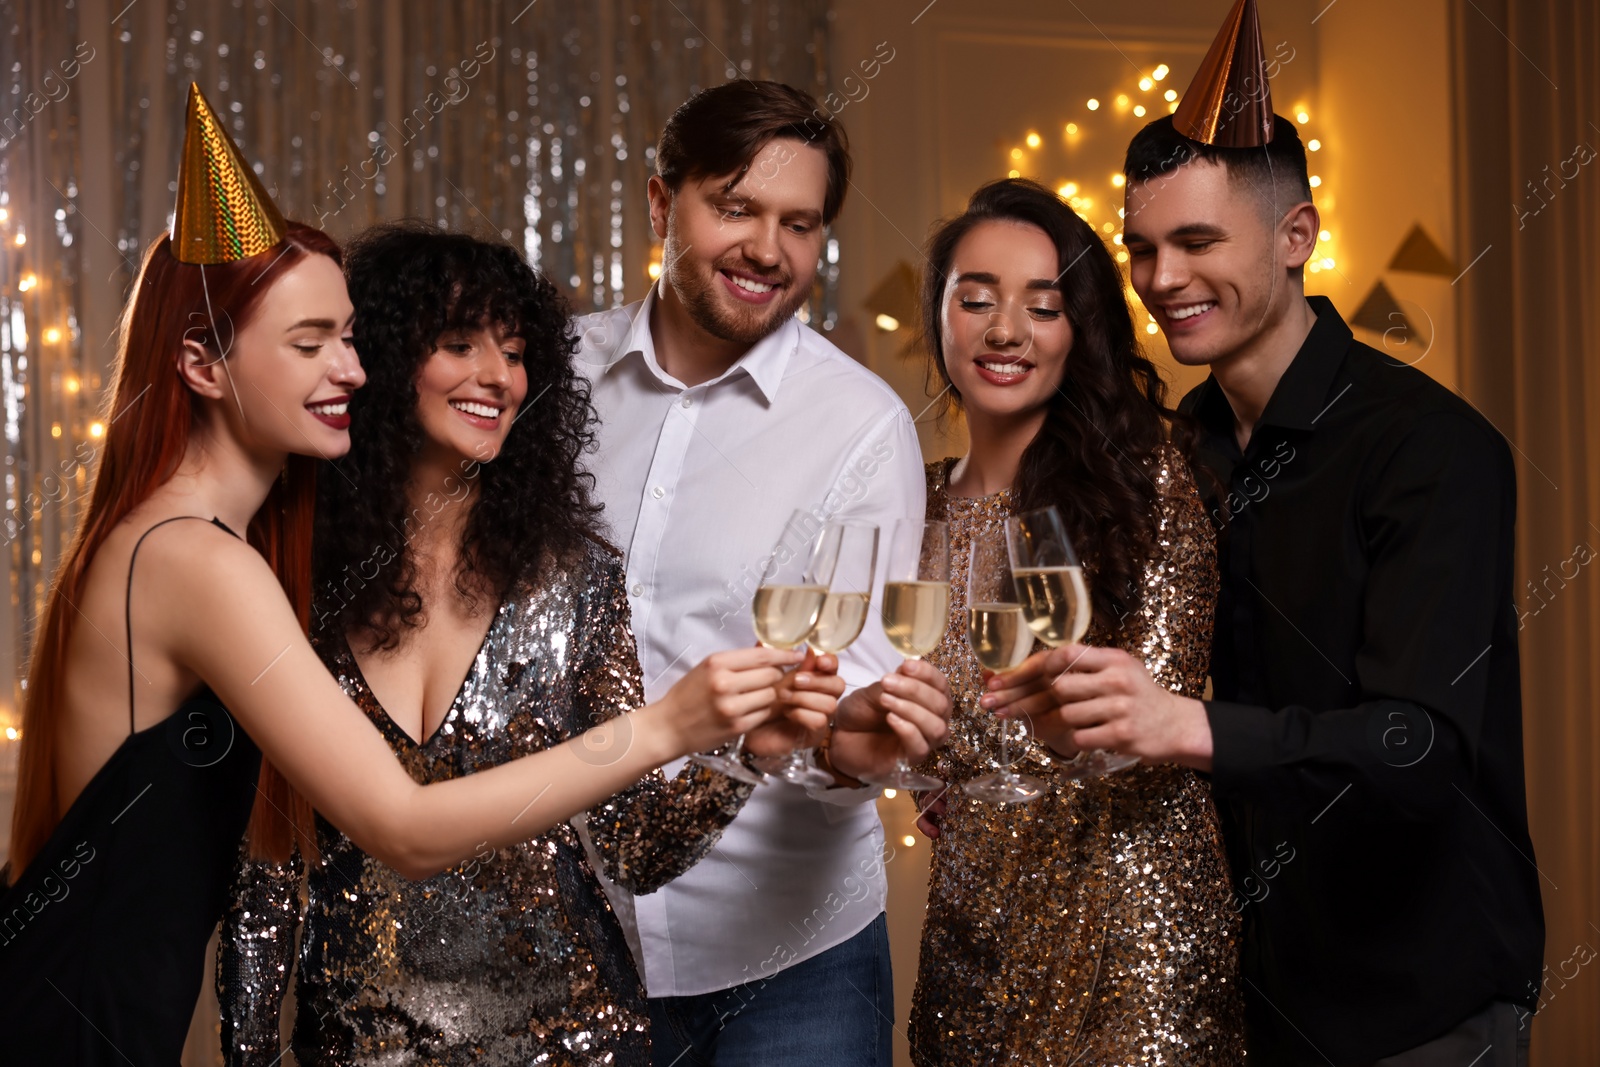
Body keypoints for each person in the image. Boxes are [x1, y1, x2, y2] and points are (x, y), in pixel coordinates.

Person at [0, 86, 800, 1063]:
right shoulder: (200, 560)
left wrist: (737, 750)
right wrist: (671, 723)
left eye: (348, 336)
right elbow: (402, 827)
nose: (349, 370)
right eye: (310, 344)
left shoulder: (212, 544)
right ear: (203, 365)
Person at [984, 3, 1545, 1062]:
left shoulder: (1429, 449)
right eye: (1143, 248)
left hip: (1414, 1002)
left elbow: (1415, 744)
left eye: (1197, 241)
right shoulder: (1170, 454)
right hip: (1229, 1004)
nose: (1161, 280)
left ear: (1297, 238)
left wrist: (1187, 725)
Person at [216, 224, 845, 1064]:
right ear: (385, 357)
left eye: (514, 353)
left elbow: (633, 845)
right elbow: (263, 869)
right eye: (459, 343)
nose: (496, 376)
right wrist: (247, 1048)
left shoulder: (575, 578)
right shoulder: (285, 576)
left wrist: (747, 756)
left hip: (575, 1037)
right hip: (358, 1044)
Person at [574, 80, 951, 1067]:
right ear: (661, 204)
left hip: (791, 962)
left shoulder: (861, 426)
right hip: (570, 939)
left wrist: (859, 735)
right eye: (735, 207)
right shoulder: (551, 381)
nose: (767, 249)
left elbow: (858, 695)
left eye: (798, 222)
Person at [904, 178, 1242, 1064]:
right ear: (939, 316)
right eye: (975, 298)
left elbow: (1152, 714)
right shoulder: (911, 504)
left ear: (1078, 331)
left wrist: (1042, 733)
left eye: (1042, 307)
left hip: (1130, 930)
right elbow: (905, 718)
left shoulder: (1146, 485)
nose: (1005, 330)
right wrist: (908, 755)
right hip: (971, 942)